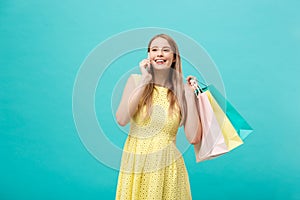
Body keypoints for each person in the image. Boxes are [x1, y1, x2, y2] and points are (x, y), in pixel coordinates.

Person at [115, 33, 202, 200]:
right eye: (154, 50)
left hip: (167, 169)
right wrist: (145, 81)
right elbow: (122, 119)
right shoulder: (135, 81)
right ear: (149, 56)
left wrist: (190, 96)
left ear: (174, 57)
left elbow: (193, 138)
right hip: (136, 165)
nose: (159, 54)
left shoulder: (182, 92)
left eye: (165, 50)